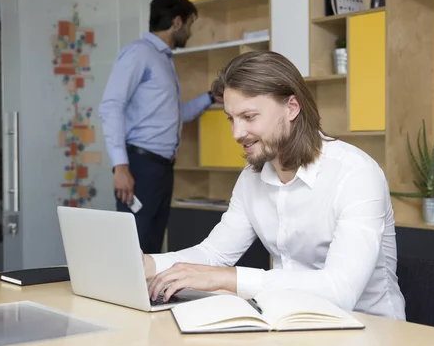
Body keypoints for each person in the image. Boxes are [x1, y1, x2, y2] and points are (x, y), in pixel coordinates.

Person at [142, 51, 406, 320]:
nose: (237, 133)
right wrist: (148, 265)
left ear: (292, 108)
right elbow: (214, 254)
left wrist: (227, 279)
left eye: (249, 116)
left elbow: (341, 290)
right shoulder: (251, 178)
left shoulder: (356, 174)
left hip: (371, 334)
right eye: (231, 119)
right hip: (291, 324)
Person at [99, 0, 217, 254]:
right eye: (189, 26)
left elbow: (177, 114)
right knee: (134, 250)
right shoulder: (139, 53)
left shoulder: (163, 60)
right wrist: (121, 166)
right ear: (176, 22)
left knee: (151, 250)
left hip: (161, 170)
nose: (190, 33)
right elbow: (111, 106)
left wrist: (210, 97)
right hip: (140, 167)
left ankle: (147, 297)